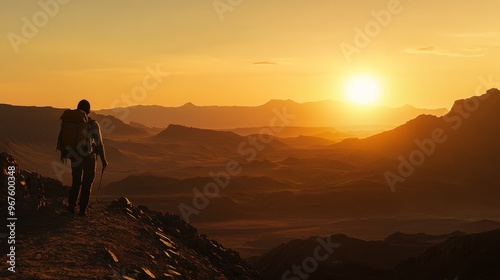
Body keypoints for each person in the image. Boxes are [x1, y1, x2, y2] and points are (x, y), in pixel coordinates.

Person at [65, 100, 108, 216]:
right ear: (89, 111)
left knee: (76, 182)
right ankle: (82, 210)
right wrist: (104, 160)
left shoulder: (73, 123)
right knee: (87, 183)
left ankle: (71, 206)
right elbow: (99, 144)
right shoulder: (93, 124)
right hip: (89, 157)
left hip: (75, 156)